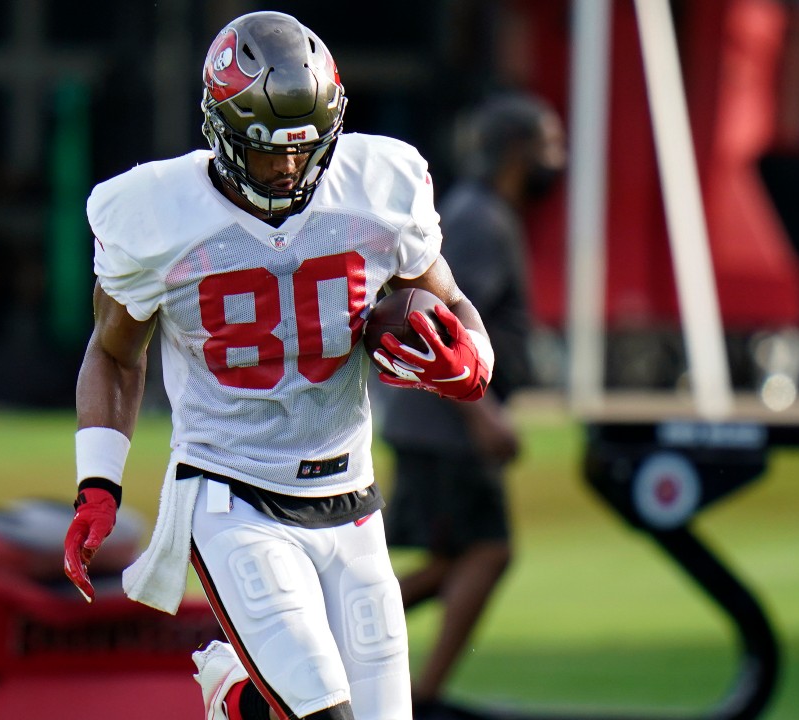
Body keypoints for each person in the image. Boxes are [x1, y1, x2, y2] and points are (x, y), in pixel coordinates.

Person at [61, 12, 496, 720]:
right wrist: (98, 485)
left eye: (303, 149)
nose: (289, 167)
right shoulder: (158, 213)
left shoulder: (375, 186)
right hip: (231, 493)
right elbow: (114, 352)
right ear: (221, 129)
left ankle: (242, 698)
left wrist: (470, 359)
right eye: (267, 151)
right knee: (326, 715)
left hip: (353, 499)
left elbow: (452, 302)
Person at [376, 93, 566, 716]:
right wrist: (482, 412)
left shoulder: (479, 212)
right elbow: (439, 324)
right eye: (548, 144)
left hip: (430, 418)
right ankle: (416, 690)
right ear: (514, 151)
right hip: (445, 421)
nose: (556, 160)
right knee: (486, 551)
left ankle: (349, 647)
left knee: (456, 556)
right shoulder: (482, 220)